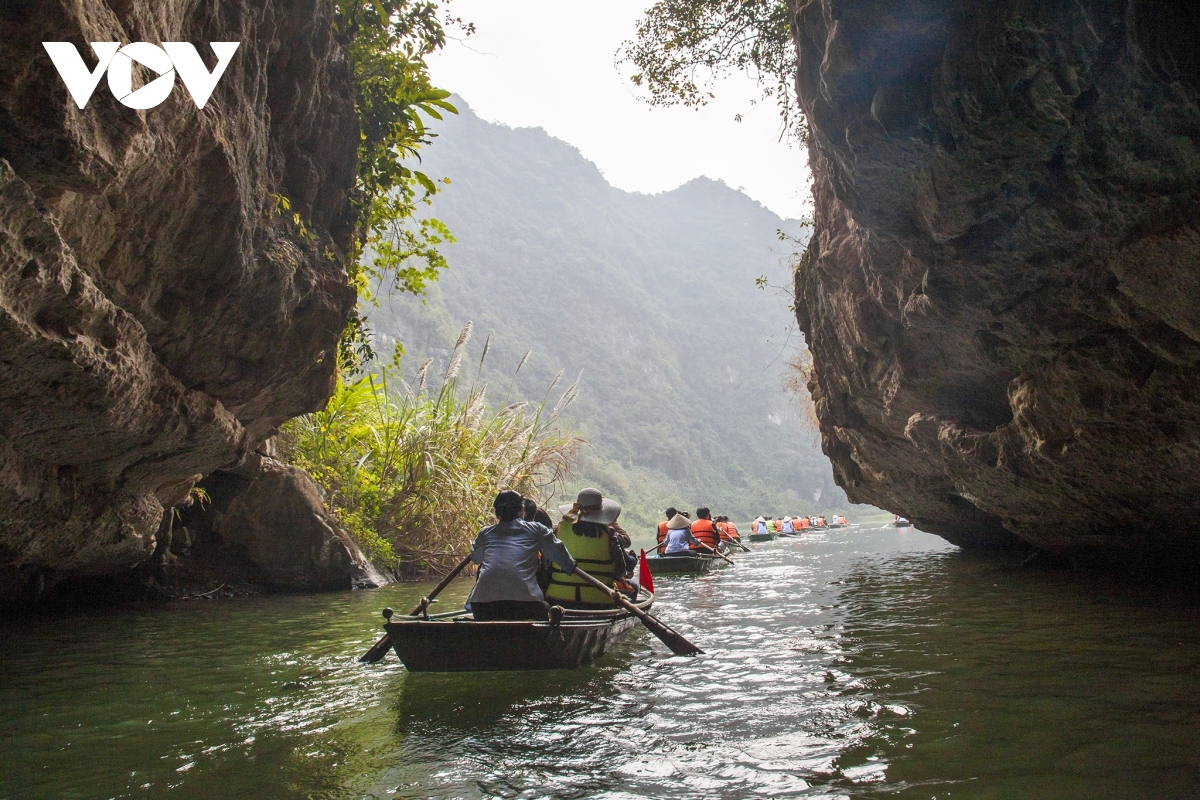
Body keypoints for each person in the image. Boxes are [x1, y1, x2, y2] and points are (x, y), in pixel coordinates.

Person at [467, 490, 577, 621]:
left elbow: (476, 558)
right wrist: (570, 565)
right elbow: (561, 557)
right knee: (547, 608)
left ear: (497, 514)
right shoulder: (537, 529)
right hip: (524, 607)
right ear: (522, 511)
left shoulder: (485, 533)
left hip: (482, 608)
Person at [546, 488, 633, 606]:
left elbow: (546, 566)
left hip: (558, 599)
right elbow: (621, 572)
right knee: (633, 588)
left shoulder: (557, 530)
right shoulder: (610, 535)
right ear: (600, 513)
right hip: (599, 601)